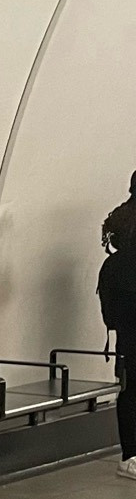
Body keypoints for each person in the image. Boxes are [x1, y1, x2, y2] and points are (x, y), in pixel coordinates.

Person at [99, 174, 136, 479]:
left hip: (127, 334)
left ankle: (131, 454)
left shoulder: (115, 262)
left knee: (131, 390)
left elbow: (112, 313)